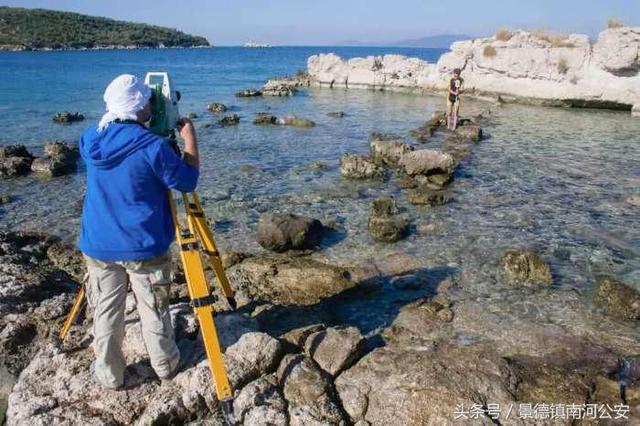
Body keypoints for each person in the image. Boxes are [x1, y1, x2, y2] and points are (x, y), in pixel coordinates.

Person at [79, 74, 199, 389]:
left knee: (106, 311)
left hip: (99, 245)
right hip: (144, 246)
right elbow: (186, 181)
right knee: (154, 309)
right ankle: (165, 365)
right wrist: (189, 139)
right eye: (146, 99)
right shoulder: (154, 147)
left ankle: (109, 375)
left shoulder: (90, 139)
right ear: (137, 106)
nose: (150, 104)